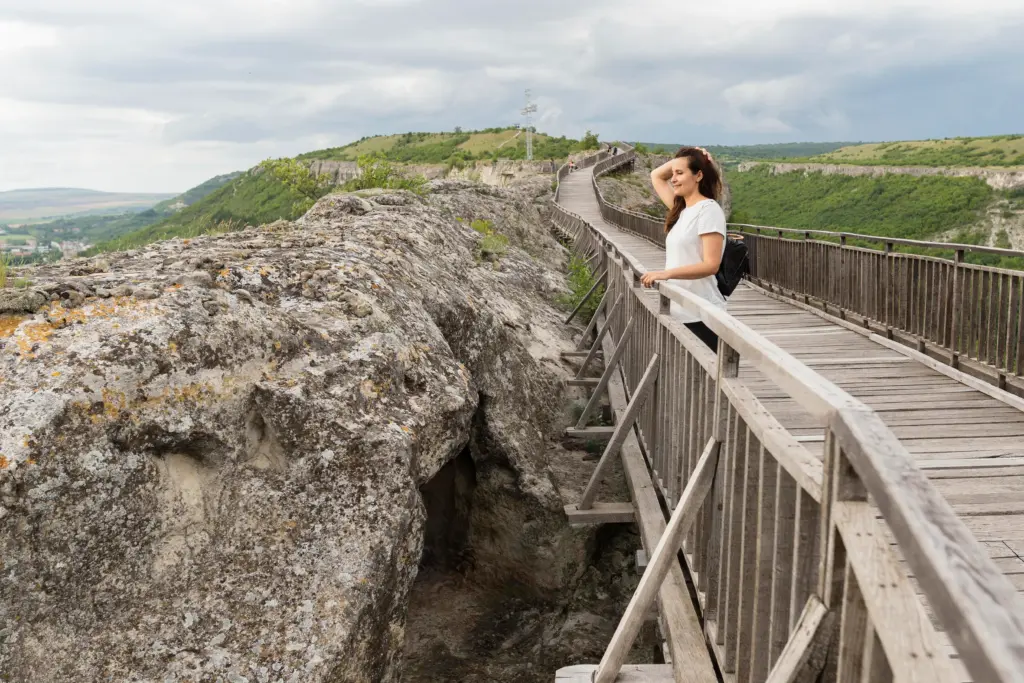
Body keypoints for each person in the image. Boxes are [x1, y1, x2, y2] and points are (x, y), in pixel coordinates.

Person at [639, 146, 726, 352]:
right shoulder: (683, 210)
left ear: (698, 176)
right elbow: (656, 176)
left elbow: (711, 265)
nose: (673, 179)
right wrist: (690, 157)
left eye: (680, 173)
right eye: (673, 173)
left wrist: (666, 274)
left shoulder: (709, 211)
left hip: (701, 314)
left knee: (703, 382)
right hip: (679, 309)